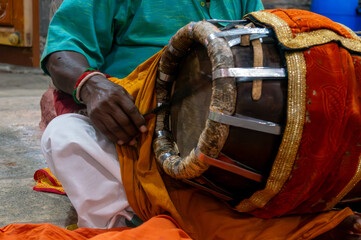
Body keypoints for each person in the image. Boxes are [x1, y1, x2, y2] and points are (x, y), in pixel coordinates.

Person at [37, 1, 361, 239]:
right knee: (65, 135)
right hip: (135, 134)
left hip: (227, 147)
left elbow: (269, 40)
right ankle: (127, 226)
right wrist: (91, 86)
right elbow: (63, 50)